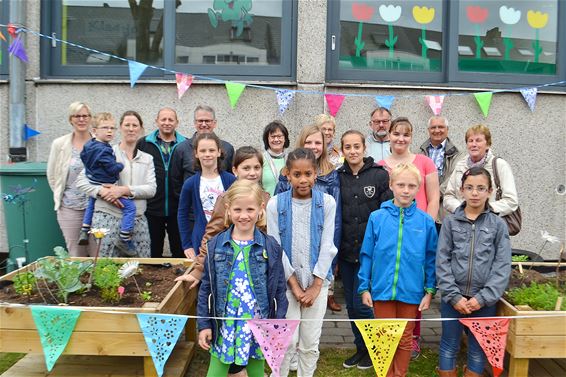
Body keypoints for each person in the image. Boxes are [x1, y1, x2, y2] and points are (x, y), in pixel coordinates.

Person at [196, 180, 288, 377]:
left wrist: (277, 327)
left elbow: (279, 290)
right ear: (228, 210)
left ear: (260, 209)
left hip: (257, 322)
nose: (244, 215)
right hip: (225, 323)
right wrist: (204, 324)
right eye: (237, 209)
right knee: (216, 372)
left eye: (250, 209)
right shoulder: (215, 246)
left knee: (256, 371)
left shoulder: (270, 247)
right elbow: (206, 290)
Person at [358, 163, 437, 377]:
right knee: (384, 337)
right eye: (400, 184)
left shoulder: (426, 222)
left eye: (411, 186)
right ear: (391, 185)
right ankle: (385, 374)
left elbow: (431, 258)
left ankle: (399, 374)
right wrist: (364, 287)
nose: (405, 190)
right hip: (383, 289)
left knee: (404, 338)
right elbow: (367, 254)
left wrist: (429, 291)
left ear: (417, 189)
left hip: (411, 292)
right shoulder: (377, 218)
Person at [266, 148, 338, 377]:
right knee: (286, 341)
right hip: (287, 284)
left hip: (317, 283)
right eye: (297, 174)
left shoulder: (326, 203)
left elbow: (327, 245)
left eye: (308, 173)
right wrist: (295, 287)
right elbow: (275, 249)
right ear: (287, 174)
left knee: (309, 342)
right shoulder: (275, 205)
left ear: (315, 173)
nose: (303, 179)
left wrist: (316, 286)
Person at [436, 167, 511, 377]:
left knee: (477, 349)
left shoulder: (498, 225)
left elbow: (502, 265)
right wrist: (453, 296)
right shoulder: (450, 222)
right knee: (449, 344)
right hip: (453, 299)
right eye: (469, 188)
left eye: (481, 188)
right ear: (462, 190)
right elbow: (442, 260)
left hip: (483, 301)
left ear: (490, 191)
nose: (475, 193)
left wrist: (484, 298)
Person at [378, 117, 440, 357]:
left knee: (416, 283)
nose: (400, 138)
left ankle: (412, 337)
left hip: (418, 232)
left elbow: (434, 197)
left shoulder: (424, 162)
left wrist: (427, 228)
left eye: (406, 134)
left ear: (412, 137)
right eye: (396, 133)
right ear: (389, 136)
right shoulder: (381, 165)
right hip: (394, 233)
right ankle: (389, 340)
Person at [337, 130, 392, 370]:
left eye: (356, 146)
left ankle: (375, 350)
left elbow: (388, 212)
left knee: (365, 304)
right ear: (342, 150)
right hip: (348, 253)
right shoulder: (337, 177)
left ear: (364, 148)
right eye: (347, 147)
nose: (352, 151)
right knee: (351, 304)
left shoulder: (379, 176)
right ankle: (360, 348)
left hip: (372, 255)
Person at [177, 146, 268, 287]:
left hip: (259, 268)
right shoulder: (226, 199)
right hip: (230, 266)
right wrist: (198, 270)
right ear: (235, 170)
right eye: (246, 168)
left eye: (257, 168)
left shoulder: (266, 198)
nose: (252, 173)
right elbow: (211, 235)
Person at [275, 124, 342, 312]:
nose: (303, 180)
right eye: (309, 141)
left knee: (310, 335)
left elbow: (333, 227)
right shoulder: (279, 197)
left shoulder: (330, 182)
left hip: (317, 258)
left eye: (317, 142)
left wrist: (327, 267)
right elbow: (277, 234)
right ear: (289, 175)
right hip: (290, 264)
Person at [76, 111, 156, 257]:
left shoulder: (147, 159)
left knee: (141, 267)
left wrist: (124, 190)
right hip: (107, 218)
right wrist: (103, 191)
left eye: (135, 125)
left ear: (141, 129)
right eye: (127, 125)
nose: (131, 129)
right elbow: (81, 181)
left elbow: (151, 189)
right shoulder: (105, 152)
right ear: (120, 128)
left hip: (137, 219)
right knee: (108, 269)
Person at [47, 101, 97, 257]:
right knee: (76, 253)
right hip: (70, 208)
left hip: (97, 207)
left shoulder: (99, 142)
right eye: (77, 116)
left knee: (98, 253)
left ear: (90, 119)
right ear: (71, 119)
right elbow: (53, 176)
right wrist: (64, 195)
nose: (81, 119)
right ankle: (79, 282)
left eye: (85, 116)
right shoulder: (60, 144)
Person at [136, 107, 187, 258]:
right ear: (156, 121)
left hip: (177, 208)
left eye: (171, 119)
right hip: (151, 208)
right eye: (163, 119)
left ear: (177, 123)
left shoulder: (185, 145)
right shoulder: (144, 144)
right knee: (152, 252)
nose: (167, 123)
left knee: (180, 252)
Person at [177, 133, 236, 260]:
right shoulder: (190, 183)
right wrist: (187, 245)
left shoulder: (231, 181)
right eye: (203, 150)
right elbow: (182, 214)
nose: (207, 154)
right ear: (196, 154)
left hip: (228, 239)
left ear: (219, 152)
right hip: (200, 241)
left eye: (211, 150)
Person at [444, 124, 519, 218]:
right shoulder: (460, 165)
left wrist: (484, 211)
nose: (474, 144)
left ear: (488, 144)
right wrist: (463, 210)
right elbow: (448, 197)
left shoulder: (499, 165)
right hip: (462, 224)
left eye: (478, 140)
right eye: (470, 141)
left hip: (491, 224)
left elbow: (511, 201)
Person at [418, 116, 463, 231]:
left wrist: (433, 195)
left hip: (445, 212)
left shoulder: (458, 155)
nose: (437, 130)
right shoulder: (419, 153)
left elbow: (453, 179)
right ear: (428, 130)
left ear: (447, 129)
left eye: (441, 127)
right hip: (423, 209)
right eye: (433, 127)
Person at [172, 104, 235, 182]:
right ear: (195, 123)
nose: (204, 124)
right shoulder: (181, 149)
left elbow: (231, 177)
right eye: (200, 121)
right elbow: (175, 181)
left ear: (214, 123)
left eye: (207, 121)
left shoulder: (227, 148)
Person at [261, 121, 289, 196]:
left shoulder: (291, 159)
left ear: (285, 139)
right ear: (267, 139)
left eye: (279, 136)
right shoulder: (260, 159)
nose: (276, 139)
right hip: (266, 204)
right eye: (273, 137)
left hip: (287, 204)